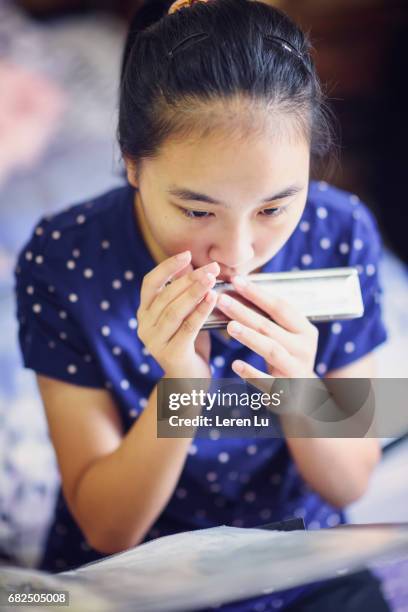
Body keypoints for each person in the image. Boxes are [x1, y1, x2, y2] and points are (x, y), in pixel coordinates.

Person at [14, 0, 390, 609]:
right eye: (197, 210)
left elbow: (351, 478)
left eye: (274, 207)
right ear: (133, 165)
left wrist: (300, 387)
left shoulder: (340, 232)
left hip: (303, 560)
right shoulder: (63, 258)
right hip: (135, 579)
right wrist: (182, 386)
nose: (239, 253)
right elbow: (109, 530)